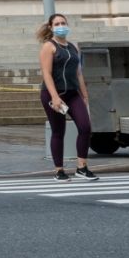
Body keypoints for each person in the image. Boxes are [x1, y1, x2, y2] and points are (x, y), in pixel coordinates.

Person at [37, 15, 97, 181]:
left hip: (72, 93)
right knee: (58, 131)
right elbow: (47, 74)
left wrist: (84, 95)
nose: (61, 26)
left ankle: (82, 167)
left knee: (85, 127)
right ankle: (59, 170)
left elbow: (78, 73)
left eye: (63, 23)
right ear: (51, 27)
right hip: (53, 95)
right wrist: (55, 97)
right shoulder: (49, 47)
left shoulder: (73, 47)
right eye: (57, 24)